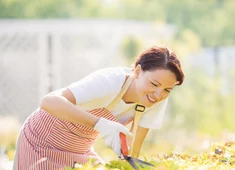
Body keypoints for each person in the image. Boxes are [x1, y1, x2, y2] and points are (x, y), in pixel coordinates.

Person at [13, 45, 185, 170]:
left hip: (79, 149)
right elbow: (48, 102)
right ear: (138, 72)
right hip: (41, 141)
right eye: (154, 84)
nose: (158, 94)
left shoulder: (157, 98)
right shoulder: (109, 81)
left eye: (167, 90)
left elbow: (134, 148)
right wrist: (100, 124)